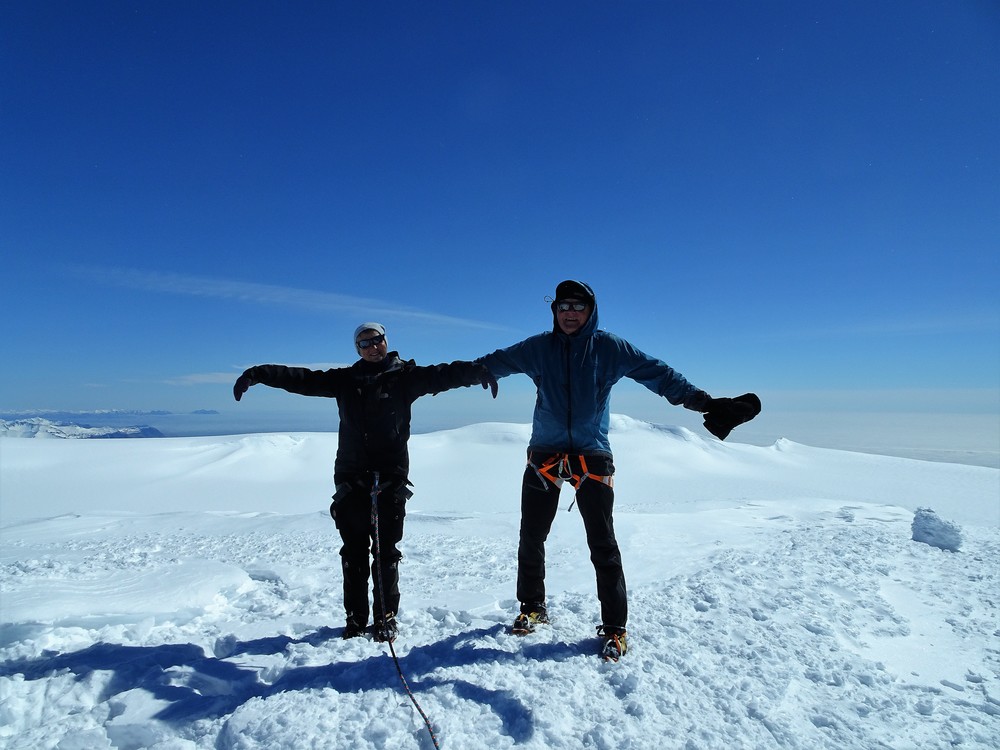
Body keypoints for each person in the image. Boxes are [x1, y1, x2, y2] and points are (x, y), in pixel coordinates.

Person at [477, 281, 759, 661]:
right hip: (544, 453)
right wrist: (458, 374)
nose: (570, 313)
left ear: (591, 311)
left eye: (578, 306)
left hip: (592, 455)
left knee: (603, 544)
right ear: (554, 310)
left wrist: (702, 402)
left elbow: (657, 373)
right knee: (531, 536)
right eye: (563, 306)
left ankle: (615, 629)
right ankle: (532, 607)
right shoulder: (539, 348)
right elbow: (496, 361)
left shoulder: (609, 348)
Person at [233, 322, 498, 643]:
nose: (372, 347)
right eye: (364, 343)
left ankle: (385, 618)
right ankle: (356, 619)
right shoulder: (345, 380)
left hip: (391, 478)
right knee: (353, 554)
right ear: (357, 349)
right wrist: (257, 374)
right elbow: (301, 379)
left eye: (377, 340)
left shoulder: (405, 378)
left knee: (386, 553)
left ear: (386, 340)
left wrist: (477, 372)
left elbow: (443, 375)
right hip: (351, 478)